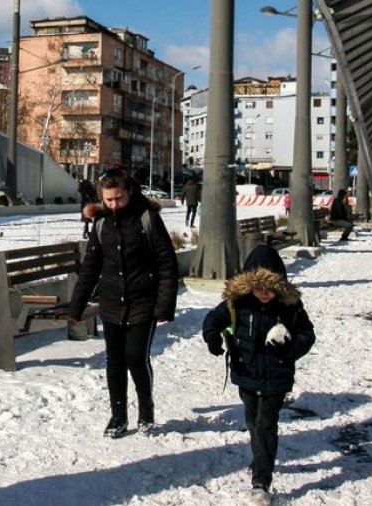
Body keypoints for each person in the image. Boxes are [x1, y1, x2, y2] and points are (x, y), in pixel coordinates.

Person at [68, 166, 179, 438]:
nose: (114, 204)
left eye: (118, 198)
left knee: (135, 357)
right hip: (111, 302)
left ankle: (146, 409)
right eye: (108, 200)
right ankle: (118, 416)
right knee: (114, 360)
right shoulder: (102, 222)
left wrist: (164, 305)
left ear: (128, 192)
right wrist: (77, 305)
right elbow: (91, 266)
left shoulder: (147, 218)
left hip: (144, 301)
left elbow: (167, 264)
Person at [202, 245, 316, 505]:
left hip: (277, 376)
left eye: (270, 288)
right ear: (248, 285)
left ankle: (261, 481)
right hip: (247, 374)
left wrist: (291, 348)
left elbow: (308, 334)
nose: (264, 293)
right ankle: (260, 459)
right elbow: (213, 319)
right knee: (253, 421)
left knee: (266, 423)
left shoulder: (290, 306)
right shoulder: (237, 303)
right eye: (258, 287)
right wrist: (211, 338)